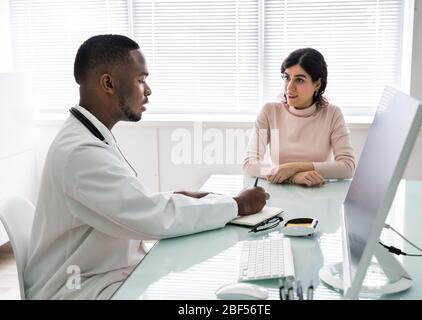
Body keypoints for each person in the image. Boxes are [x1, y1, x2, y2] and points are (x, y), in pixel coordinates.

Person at [24, 34, 269, 300]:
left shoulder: (88, 136)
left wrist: (172, 198)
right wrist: (238, 205)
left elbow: (131, 203)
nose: (148, 90)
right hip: (78, 289)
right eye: (141, 80)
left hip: (101, 273)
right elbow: (154, 218)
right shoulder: (80, 152)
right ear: (108, 83)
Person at [243, 48, 355, 186]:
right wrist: (293, 177)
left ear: (317, 84)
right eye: (287, 78)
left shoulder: (332, 114)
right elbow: (249, 164)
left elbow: (348, 167)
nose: (290, 87)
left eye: (300, 80)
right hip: (279, 193)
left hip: (319, 193)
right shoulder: (269, 111)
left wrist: (294, 167)